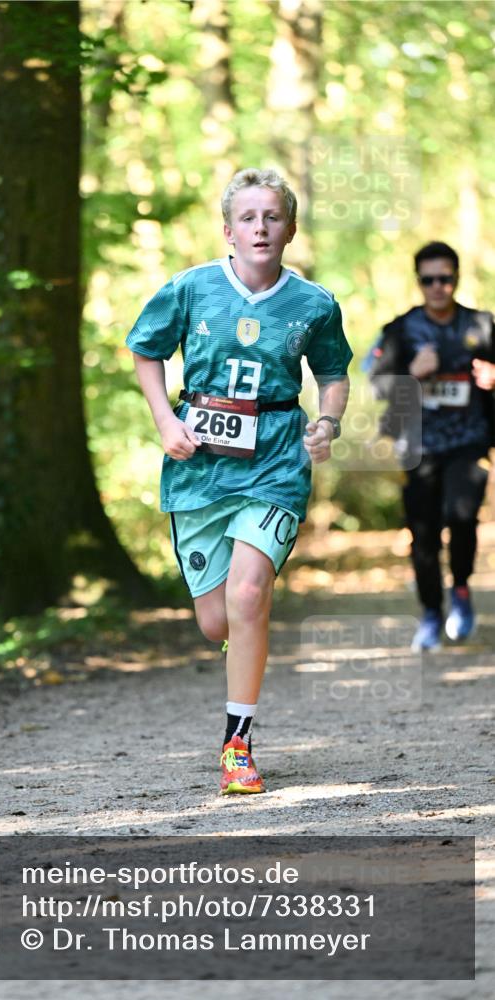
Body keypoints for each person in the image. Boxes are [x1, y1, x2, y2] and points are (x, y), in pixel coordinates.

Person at [126, 167, 352, 794]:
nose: (261, 227)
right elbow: (146, 350)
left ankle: (237, 745)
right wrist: (164, 419)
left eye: (272, 216)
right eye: (248, 218)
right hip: (198, 465)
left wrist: (327, 422)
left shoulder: (314, 303)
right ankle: (240, 646)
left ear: (291, 228)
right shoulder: (192, 288)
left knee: (249, 596)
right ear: (228, 230)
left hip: (276, 460)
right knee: (217, 622)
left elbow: (333, 373)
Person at [369, 242, 495, 651]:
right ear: (419, 282)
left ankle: (460, 588)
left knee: (461, 516)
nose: (438, 287)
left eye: (445, 278)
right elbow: (376, 384)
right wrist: (411, 372)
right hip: (418, 444)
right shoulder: (403, 329)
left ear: (456, 278)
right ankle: (430, 612)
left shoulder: (482, 326)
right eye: (429, 280)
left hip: (469, 441)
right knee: (422, 534)